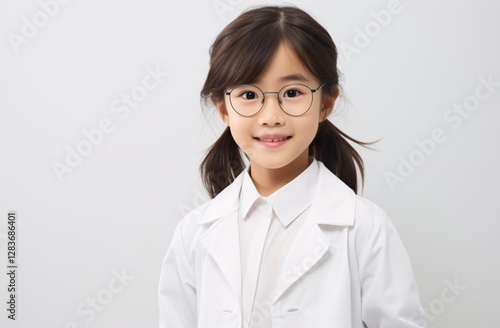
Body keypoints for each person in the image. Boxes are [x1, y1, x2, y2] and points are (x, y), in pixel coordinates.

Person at [158, 5, 426, 328]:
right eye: (248, 94)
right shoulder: (193, 234)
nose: (271, 115)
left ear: (326, 102)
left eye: (293, 92)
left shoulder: (365, 229)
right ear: (223, 108)